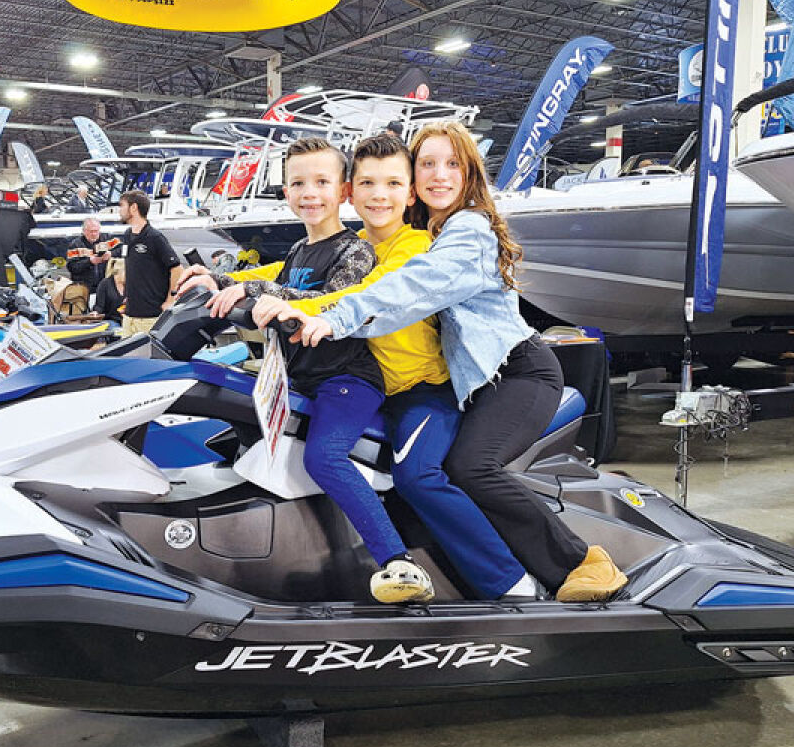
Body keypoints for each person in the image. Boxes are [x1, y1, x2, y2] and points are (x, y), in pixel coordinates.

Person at [283, 121, 628, 603]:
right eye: (427, 163)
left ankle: (579, 564)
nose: (439, 174)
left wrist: (333, 316)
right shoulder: (418, 232)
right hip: (474, 382)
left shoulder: (466, 230)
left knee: (467, 467)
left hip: (516, 371)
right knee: (438, 471)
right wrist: (234, 285)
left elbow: (411, 286)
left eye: (452, 164)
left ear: (469, 174)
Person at [254, 133, 530, 601]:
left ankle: (510, 582)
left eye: (393, 184)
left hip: (424, 391)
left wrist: (294, 307)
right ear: (351, 191)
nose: (379, 195)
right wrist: (227, 283)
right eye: (368, 183)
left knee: (418, 475)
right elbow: (283, 273)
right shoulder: (357, 244)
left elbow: (362, 293)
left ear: (411, 193)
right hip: (381, 389)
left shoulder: (415, 245)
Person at [178, 137, 427, 605]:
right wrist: (220, 281)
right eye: (297, 183)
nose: (309, 193)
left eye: (321, 182)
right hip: (301, 378)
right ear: (286, 191)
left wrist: (257, 294)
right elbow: (276, 280)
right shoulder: (298, 249)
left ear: (343, 191)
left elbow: (331, 298)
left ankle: (397, 561)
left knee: (324, 456)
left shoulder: (355, 251)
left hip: (346, 379)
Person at [118, 189, 181, 336]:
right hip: (129, 315)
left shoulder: (155, 237)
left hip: (150, 317)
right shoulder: (127, 235)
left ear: (133, 208)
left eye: (122, 206)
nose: (119, 210)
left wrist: (170, 300)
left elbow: (177, 269)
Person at [66, 217, 115, 294]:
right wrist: (89, 262)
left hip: (105, 287)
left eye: (96, 231)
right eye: (91, 231)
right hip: (83, 288)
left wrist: (111, 254)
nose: (94, 234)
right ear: (84, 231)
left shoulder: (108, 239)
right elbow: (72, 267)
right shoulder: (75, 245)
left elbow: (123, 250)